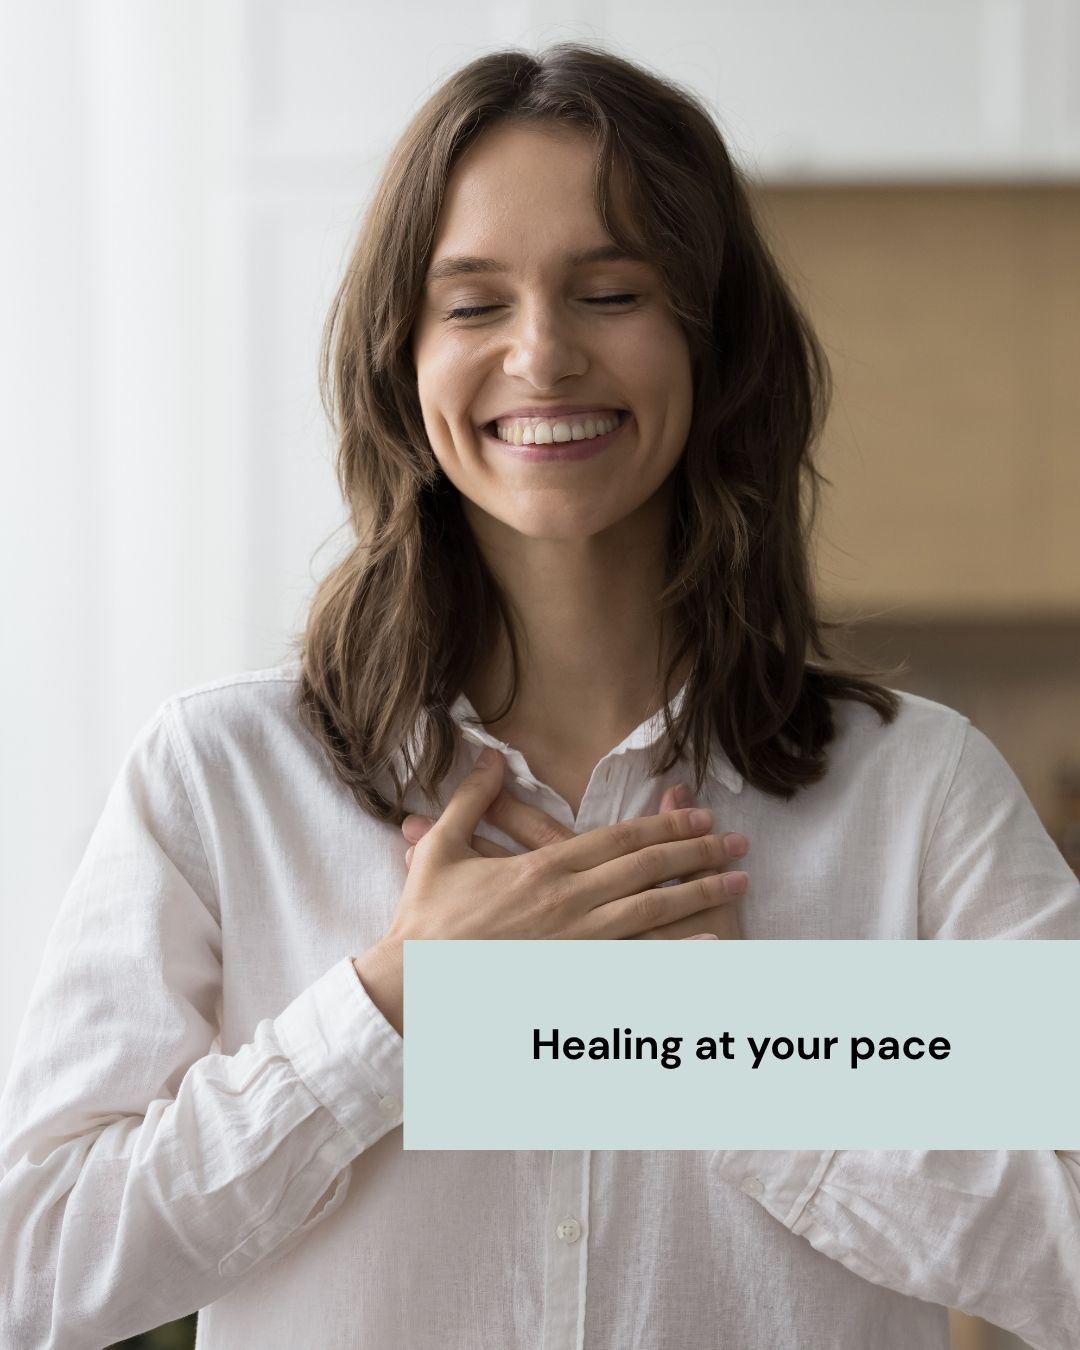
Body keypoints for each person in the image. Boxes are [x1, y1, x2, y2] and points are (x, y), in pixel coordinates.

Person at [1, 42, 1078, 1350]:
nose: (543, 352)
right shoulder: (217, 778)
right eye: (471, 304)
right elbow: (41, 1263)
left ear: (712, 337)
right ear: (401, 358)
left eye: (612, 289)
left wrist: (722, 1052)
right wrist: (393, 1008)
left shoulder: (917, 793)